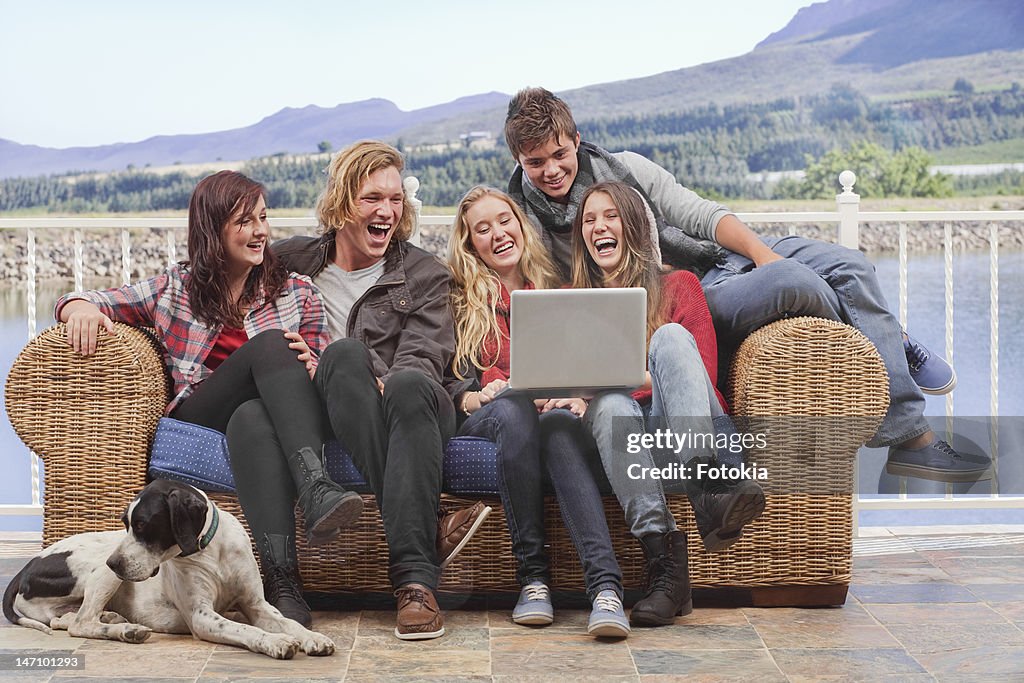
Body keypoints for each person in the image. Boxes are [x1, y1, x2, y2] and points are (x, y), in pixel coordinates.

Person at [504, 87, 991, 483]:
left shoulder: (626, 167)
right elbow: (549, 297)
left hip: (719, 258)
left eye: (558, 154)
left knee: (851, 265)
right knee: (790, 281)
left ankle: (908, 430)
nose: (550, 171)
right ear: (519, 161)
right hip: (683, 293)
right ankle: (899, 372)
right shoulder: (524, 219)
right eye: (534, 163)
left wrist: (762, 254)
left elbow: (700, 215)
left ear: (576, 138)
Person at [55, 170, 362, 628]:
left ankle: (282, 582)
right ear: (211, 229)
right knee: (272, 345)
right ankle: (316, 485)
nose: (260, 231)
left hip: (265, 421)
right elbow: (88, 297)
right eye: (244, 221)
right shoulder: (175, 289)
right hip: (202, 415)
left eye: (263, 217)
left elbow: (316, 374)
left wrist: (314, 365)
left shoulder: (297, 291)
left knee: (253, 416)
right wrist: (77, 308)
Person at [271, 141, 490, 641]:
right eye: (372, 198)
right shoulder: (291, 261)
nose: (387, 211)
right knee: (341, 357)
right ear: (343, 201)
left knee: (398, 378)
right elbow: (203, 279)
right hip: (335, 405)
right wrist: (84, 302)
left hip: (416, 404)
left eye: (395, 199)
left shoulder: (424, 273)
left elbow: (422, 358)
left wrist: (377, 376)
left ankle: (414, 581)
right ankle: (422, 547)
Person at [570, 180, 765, 626]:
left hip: (687, 424)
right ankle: (667, 569)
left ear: (634, 225)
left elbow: (699, 378)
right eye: (589, 220)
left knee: (672, 338)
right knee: (612, 407)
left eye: (610, 216)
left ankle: (712, 485)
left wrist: (601, 382)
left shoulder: (680, 285)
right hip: (627, 443)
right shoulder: (575, 302)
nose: (599, 226)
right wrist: (583, 393)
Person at [447, 185, 629, 638]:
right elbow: (448, 383)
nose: (498, 234)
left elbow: (586, 365)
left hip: (548, 416)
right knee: (513, 408)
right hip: (490, 414)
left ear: (520, 225)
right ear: (471, 244)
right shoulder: (456, 300)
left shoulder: (558, 290)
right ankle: (533, 578)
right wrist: (478, 395)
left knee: (558, 427)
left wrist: (574, 394)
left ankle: (606, 589)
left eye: (504, 221)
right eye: (482, 229)